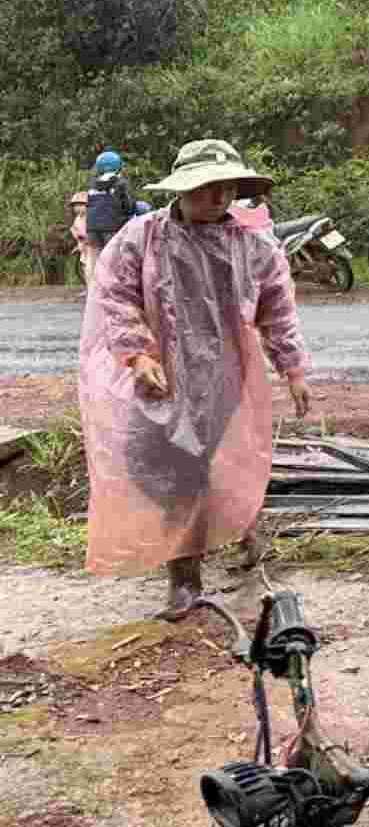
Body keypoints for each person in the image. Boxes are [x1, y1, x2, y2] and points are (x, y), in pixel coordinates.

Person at [79, 139, 313, 620]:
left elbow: (277, 309)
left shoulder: (252, 245)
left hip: (226, 373)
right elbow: (114, 295)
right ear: (182, 190)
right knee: (173, 470)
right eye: (207, 190)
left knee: (221, 460)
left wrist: (293, 369)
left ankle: (244, 533)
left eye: (226, 189)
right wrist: (136, 354)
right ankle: (184, 578)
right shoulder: (141, 237)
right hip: (161, 374)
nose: (218, 199)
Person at [83, 150, 136, 255]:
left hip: (92, 230)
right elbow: (129, 207)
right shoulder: (120, 183)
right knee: (114, 260)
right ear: (118, 166)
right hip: (111, 228)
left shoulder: (93, 185)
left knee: (95, 261)